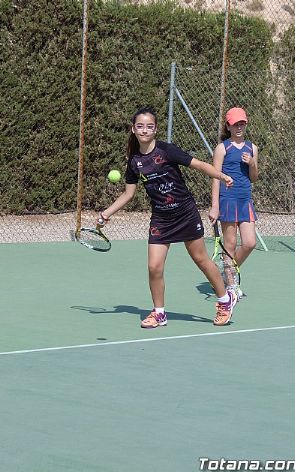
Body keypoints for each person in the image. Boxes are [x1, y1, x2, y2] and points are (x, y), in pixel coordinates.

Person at [98, 106, 237, 327]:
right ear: (133, 130)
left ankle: (224, 300)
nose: (145, 130)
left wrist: (222, 176)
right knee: (154, 267)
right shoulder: (134, 162)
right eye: (140, 126)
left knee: (201, 260)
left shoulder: (167, 151)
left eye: (149, 126)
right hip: (161, 219)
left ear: (156, 129)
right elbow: (128, 194)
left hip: (185, 213)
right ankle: (159, 313)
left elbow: (199, 165)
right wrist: (106, 214)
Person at [209, 107, 259, 298]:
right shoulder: (222, 149)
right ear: (228, 126)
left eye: (242, 123)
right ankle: (230, 285)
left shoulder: (252, 148)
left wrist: (252, 163)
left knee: (249, 243)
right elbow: (215, 177)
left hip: (245, 200)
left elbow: (254, 178)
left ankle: (226, 273)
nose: (239, 127)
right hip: (227, 200)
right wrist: (215, 206)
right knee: (229, 244)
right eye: (235, 124)